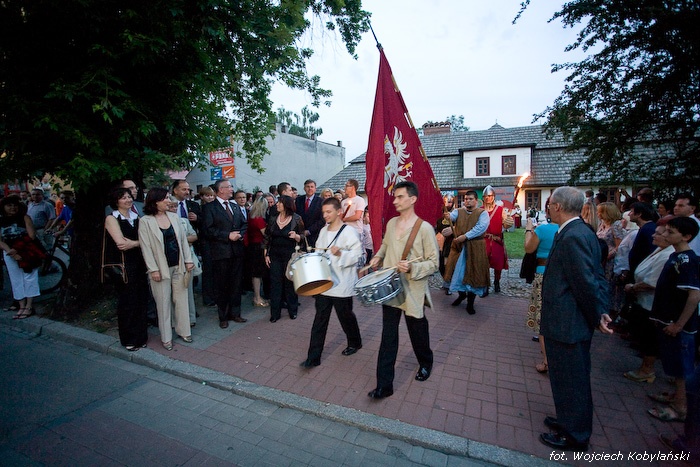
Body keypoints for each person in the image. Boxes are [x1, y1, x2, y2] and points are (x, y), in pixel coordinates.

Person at [539, 186, 612, 452]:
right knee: (564, 377)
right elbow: (595, 274)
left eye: (549, 204)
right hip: (565, 319)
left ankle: (576, 435)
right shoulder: (578, 231)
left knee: (573, 379)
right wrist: (601, 309)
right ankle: (567, 420)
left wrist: (597, 315)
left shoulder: (574, 236)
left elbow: (586, 282)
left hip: (568, 321)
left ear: (557, 207)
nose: (548, 208)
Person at [366, 181, 439, 399]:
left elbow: (434, 263)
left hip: (413, 289)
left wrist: (413, 267)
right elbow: (385, 246)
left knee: (417, 332)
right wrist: (377, 257)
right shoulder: (391, 223)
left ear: (412, 199)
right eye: (395, 196)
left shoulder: (424, 228)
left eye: (400, 197)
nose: (395, 201)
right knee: (388, 335)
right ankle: (384, 385)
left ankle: (425, 361)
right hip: (390, 287)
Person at [647, 216, 700, 423]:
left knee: (681, 368)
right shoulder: (676, 256)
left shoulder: (688, 261)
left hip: (678, 326)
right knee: (673, 363)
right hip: (667, 320)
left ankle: (681, 407)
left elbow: (694, 295)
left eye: (671, 232)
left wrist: (679, 324)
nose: (665, 235)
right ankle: (678, 397)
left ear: (686, 236)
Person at [300, 197, 363, 368]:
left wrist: (341, 254)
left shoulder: (349, 232)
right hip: (325, 282)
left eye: (329, 212)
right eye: (324, 212)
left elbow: (358, 256)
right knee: (320, 320)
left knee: (346, 316)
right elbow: (319, 253)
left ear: (339, 212)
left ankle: (355, 342)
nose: (325, 215)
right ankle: (313, 358)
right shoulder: (323, 231)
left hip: (342, 283)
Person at [138, 187, 194, 351]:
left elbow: (183, 241)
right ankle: (166, 338)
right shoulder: (145, 221)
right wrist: (153, 269)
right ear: (155, 201)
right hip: (160, 269)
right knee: (163, 304)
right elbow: (146, 247)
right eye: (166, 198)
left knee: (181, 300)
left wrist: (188, 260)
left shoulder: (174, 217)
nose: (169, 201)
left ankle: (184, 331)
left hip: (179, 265)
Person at [623, 220, 674, 383]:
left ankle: (647, 369)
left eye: (658, 233)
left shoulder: (667, 255)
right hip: (643, 301)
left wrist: (633, 287)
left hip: (651, 303)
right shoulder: (660, 250)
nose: (654, 235)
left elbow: (652, 282)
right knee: (644, 335)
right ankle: (645, 367)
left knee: (649, 337)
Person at [104, 188, 149, 351]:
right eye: (123, 198)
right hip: (123, 265)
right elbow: (121, 244)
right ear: (116, 201)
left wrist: (135, 243)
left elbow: (147, 240)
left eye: (129, 197)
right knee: (128, 302)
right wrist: (139, 243)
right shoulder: (112, 218)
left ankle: (141, 337)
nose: (128, 200)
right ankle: (129, 339)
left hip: (140, 263)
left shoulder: (137, 217)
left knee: (141, 300)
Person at [201, 179, 248, 328]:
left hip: (237, 252)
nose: (232, 189)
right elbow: (208, 230)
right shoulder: (210, 208)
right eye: (229, 187)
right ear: (221, 189)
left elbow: (244, 223)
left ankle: (236, 313)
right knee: (222, 285)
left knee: (236, 284)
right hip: (221, 253)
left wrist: (239, 234)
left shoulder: (234, 206)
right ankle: (223, 316)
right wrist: (227, 235)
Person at [524, 198, 558, 374]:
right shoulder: (574, 229)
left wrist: (529, 229)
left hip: (543, 273)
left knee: (542, 317)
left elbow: (528, 248)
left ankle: (546, 361)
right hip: (562, 276)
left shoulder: (543, 229)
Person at [442, 191, 489, 314]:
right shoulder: (458, 211)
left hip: (475, 248)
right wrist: (448, 216)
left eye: (470, 199)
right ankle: (461, 295)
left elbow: (480, 228)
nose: (467, 201)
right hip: (459, 248)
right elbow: (452, 217)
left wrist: (465, 236)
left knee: (473, 274)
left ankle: (470, 303)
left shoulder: (482, 213)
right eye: (466, 199)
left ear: (476, 200)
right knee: (456, 273)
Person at [263, 195, 305, 322]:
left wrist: (296, 236)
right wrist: (266, 254)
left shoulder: (296, 219)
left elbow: (303, 236)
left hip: (290, 255)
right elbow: (267, 237)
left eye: (279, 202)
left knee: (289, 283)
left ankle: (293, 310)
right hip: (274, 255)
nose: (277, 204)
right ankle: (275, 313)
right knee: (275, 284)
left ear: (286, 204)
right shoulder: (273, 218)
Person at [0, 196, 41, 319]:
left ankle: (29, 306)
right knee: (15, 279)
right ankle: (21, 305)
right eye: (9, 205)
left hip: (27, 251)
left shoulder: (24, 218)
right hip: (9, 252)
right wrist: (10, 251)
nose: (13, 208)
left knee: (29, 277)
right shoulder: (1, 220)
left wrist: (17, 250)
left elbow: (31, 235)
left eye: (15, 205)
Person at [167, 196, 200, 327]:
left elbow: (194, 236)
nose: (174, 209)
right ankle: (174, 320)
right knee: (171, 293)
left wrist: (181, 240)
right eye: (171, 206)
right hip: (171, 261)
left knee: (188, 290)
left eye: (176, 206)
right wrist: (185, 240)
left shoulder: (184, 221)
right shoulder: (161, 222)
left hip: (186, 259)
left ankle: (190, 318)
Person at [481, 185, 513, 294]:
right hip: (484, 240)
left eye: (489, 196)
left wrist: (508, 222)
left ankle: (496, 282)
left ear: (493, 196)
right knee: (484, 264)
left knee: (498, 263)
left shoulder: (500, 210)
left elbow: (505, 225)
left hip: (496, 240)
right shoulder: (480, 210)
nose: (487, 198)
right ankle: (485, 284)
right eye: (485, 196)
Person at [246, 197, 269, 307]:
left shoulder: (251, 217)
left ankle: (257, 296)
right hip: (258, 247)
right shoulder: (259, 219)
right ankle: (257, 297)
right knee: (257, 274)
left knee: (256, 274)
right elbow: (266, 234)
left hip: (252, 246)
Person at [295, 179, 325, 249]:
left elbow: (322, 220)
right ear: (304, 188)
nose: (310, 188)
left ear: (315, 189)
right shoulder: (298, 200)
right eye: (308, 186)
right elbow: (296, 216)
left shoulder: (321, 201)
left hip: (315, 234)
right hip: (300, 235)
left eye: (312, 187)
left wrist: (309, 231)